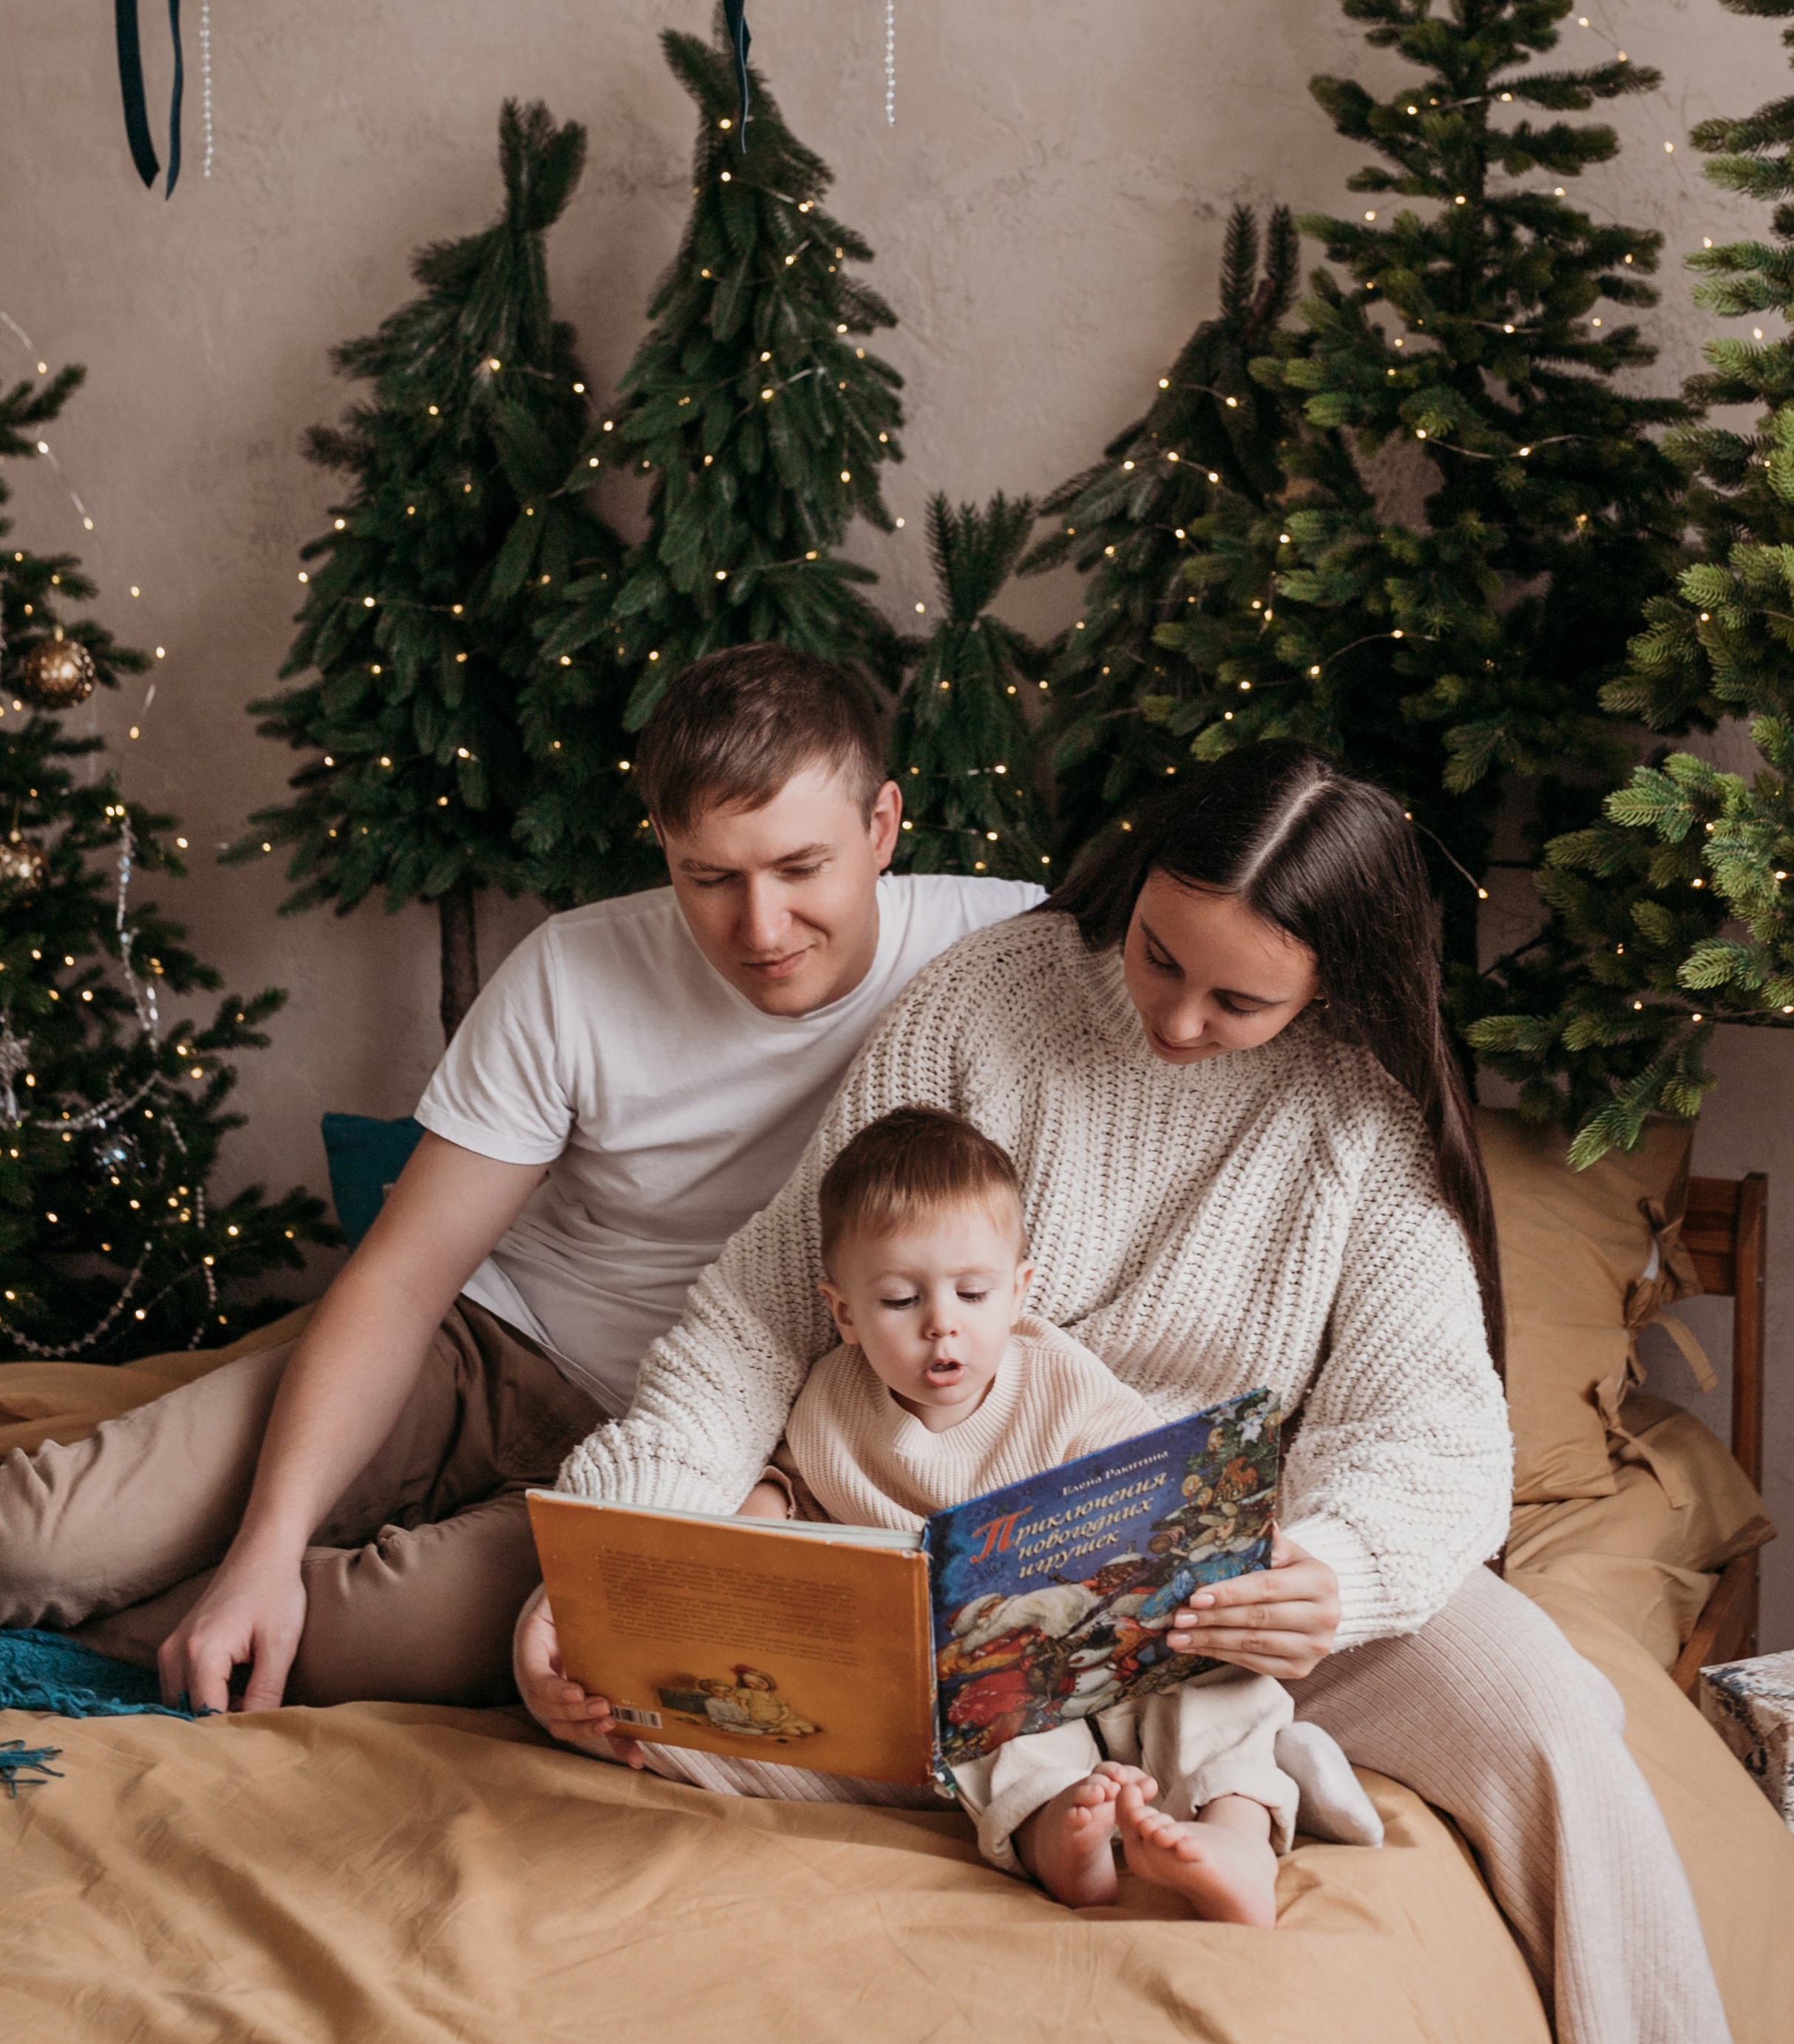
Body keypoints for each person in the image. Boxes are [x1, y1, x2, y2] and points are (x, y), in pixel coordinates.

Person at [518, 742, 1738, 2044]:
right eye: (1159, 957)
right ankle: (1116, 1802)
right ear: (1139, 878)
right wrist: (613, 1568)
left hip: (1233, 1597)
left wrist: (1331, 1568)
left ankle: (1162, 1788)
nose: (1176, 1021)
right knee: (633, 1691)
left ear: (1332, 983)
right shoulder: (986, 1000)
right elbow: (765, 1308)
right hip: (944, 1559)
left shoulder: (1364, 1105)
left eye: (1239, 1001)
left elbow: (1428, 1423)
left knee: (1555, 1723)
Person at [0, 646, 1041, 1712]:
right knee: (38, 1545)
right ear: (666, 850)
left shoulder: (1010, 949)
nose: (760, 928)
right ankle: (196, 1578)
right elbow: (405, 1280)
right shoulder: (574, 972)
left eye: (801, 869)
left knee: (368, 1636)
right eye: (711, 877)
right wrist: (266, 1542)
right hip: (487, 1344)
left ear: (881, 828)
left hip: (674, 1451)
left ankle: (154, 1626)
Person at [537, 1103, 1327, 1922]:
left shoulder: (1060, 1382)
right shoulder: (830, 1406)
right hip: (986, 1670)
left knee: (1218, 1674)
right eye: (899, 1301)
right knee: (976, 1717)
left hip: (1111, 1632)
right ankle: (1057, 1828)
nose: (941, 1324)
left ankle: (1233, 1831)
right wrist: (760, 1517)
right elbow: (797, 1491)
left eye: (973, 1292)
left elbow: (1151, 1481)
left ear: (1018, 1291)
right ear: (843, 1313)